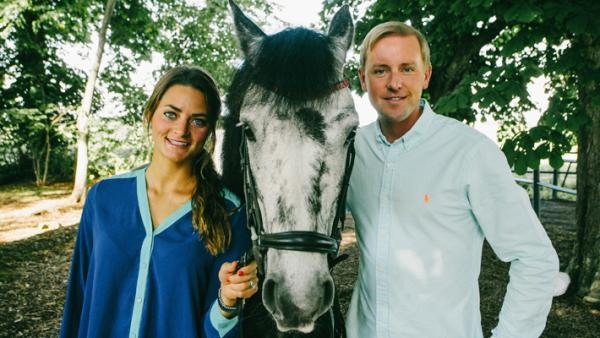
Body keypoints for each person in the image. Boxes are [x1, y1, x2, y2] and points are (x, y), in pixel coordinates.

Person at [345, 21, 559, 338]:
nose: (395, 83)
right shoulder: (349, 152)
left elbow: (535, 258)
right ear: (362, 79)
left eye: (407, 69)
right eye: (380, 71)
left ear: (426, 75)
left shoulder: (470, 153)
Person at [60, 65, 259, 338]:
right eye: (171, 114)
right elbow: (78, 301)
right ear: (150, 114)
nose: (181, 130)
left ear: (209, 131)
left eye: (197, 121)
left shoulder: (230, 212)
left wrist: (227, 302)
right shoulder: (103, 198)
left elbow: (216, 329)